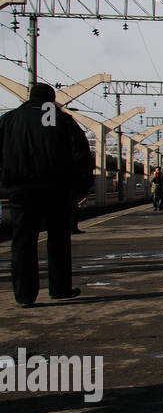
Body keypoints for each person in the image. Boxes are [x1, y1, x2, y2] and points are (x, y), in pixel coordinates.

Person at [0, 82, 94, 306]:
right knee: (58, 240)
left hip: (20, 190)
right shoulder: (61, 119)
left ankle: (24, 296)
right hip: (56, 190)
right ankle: (59, 289)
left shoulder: (10, 119)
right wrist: (82, 188)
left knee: (23, 241)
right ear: (51, 99)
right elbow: (81, 154)